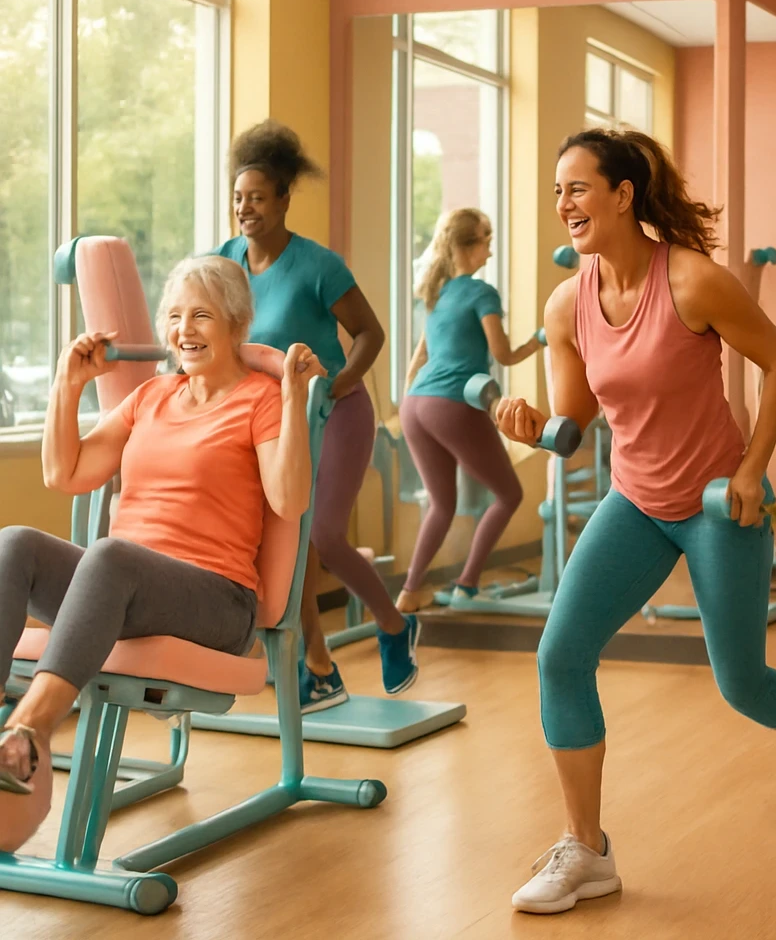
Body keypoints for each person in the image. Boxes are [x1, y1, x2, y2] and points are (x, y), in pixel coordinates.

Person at [494, 128, 776, 915]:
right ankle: (587, 850)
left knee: (742, 681)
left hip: (719, 501)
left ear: (623, 195)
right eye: (557, 191)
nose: (565, 205)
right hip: (637, 502)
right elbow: (573, 422)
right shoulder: (566, 303)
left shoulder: (691, 281)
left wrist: (753, 468)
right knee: (560, 655)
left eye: (578, 188)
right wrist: (531, 429)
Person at [0, 257, 321, 851]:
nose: (184, 329)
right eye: (174, 316)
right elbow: (63, 472)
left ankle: (27, 734)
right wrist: (68, 385)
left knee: (108, 557)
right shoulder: (150, 396)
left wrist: (294, 396)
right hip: (125, 585)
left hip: (217, 600)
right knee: (15, 543)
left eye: (201, 315)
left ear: (235, 324)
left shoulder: (259, 400)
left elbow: (290, 496)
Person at [214, 120, 417, 710]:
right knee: (287, 542)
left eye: (256, 197)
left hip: (340, 413)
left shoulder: (317, 264)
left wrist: (336, 387)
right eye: (237, 198)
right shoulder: (225, 263)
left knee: (323, 536)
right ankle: (319, 665)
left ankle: (395, 624)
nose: (245, 208)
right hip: (273, 423)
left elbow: (369, 334)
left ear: (282, 199)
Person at [396, 208, 541, 611]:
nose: (490, 252)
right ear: (466, 245)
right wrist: (540, 340)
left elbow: (418, 359)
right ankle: (466, 584)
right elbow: (504, 354)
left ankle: (409, 591)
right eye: (486, 242)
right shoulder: (482, 294)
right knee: (509, 494)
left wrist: (411, 406)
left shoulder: (436, 294)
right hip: (452, 404)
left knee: (442, 503)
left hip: (416, 405)